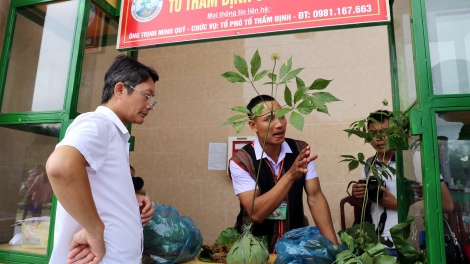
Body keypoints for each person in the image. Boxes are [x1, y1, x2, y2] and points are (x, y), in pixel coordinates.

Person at [46, 55, 158, 264]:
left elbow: (100, 189)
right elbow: (61, 166)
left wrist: (131, 200)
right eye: (146, 95)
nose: (150, 105)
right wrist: (94, 231)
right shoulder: (98, 124)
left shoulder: (115, 133)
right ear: (119, 90)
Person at [229, 94, 338, 252]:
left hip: (294, 247)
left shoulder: (301, 150)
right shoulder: (241, 161)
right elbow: (256, 213)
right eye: (269, 119)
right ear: (253, 125)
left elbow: (316, 198)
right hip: (254, 248)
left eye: (282, 116)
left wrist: (334, 247)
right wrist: (290, 175)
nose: (279, 124)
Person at [351, 110, 454, 258]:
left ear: (396, 133)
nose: (378, 139)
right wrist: (358, 196)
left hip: (409, 245)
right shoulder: (369, 164)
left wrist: (400, 204)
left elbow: (447, 204)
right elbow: (368, 208)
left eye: (384, 132)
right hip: (376, 245)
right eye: (373, 134)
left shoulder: (415, 158)